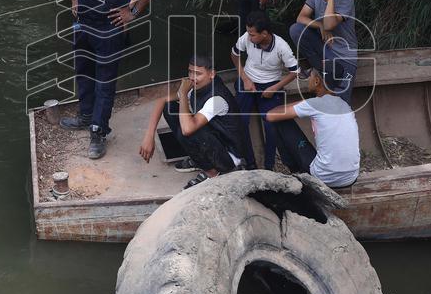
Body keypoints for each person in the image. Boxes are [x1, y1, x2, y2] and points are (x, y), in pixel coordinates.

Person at [58, 0, 161, 159]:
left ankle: (98, 131)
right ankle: (85, 115)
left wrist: (133, 12)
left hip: (110, 26)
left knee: (105, 80)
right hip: (82, 22)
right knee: (83, 71)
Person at [138, 55, 245, 189]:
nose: (192, 77)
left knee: (187, 131)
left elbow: (187, 129)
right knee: (170, 107)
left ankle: (212, 174)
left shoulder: (216, 98)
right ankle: (201, 160)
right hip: (213, 140)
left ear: (211, 74)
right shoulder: (198, 87)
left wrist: (183, 94)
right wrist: (149, 136)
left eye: (198, 73)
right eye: (190, 72)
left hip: (229, 157)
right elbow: (161, 100)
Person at [265, 66, 361, 188]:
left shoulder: (314, 104)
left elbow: (270, 116)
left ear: (316, 81)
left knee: (280, 121)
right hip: (351, 177)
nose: (307, 79)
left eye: (309, 76)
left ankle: (296, 173)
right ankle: (299, 173)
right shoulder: (345, 105)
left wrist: (301, 103)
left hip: (324, 178)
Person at [232, 10, 299, 170]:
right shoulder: (247, 37)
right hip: (247, 81)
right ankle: (250, 164)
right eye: (248, 33)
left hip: (270, 85)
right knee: (241, 122)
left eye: (252, 34)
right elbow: (234, 54)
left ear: (264, 33)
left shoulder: (282, 47)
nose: (249, 37)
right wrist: (245, 79)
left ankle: (269, 166)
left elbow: (295, 72)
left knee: (271, 125)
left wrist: (274, 88)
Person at [289, 0, 357, 103]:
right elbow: (301, 18)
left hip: (344, 58)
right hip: (326, 52)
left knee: (341, 106)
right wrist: (319, 25)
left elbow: (329, 24)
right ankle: (317, 68)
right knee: (296, 30)